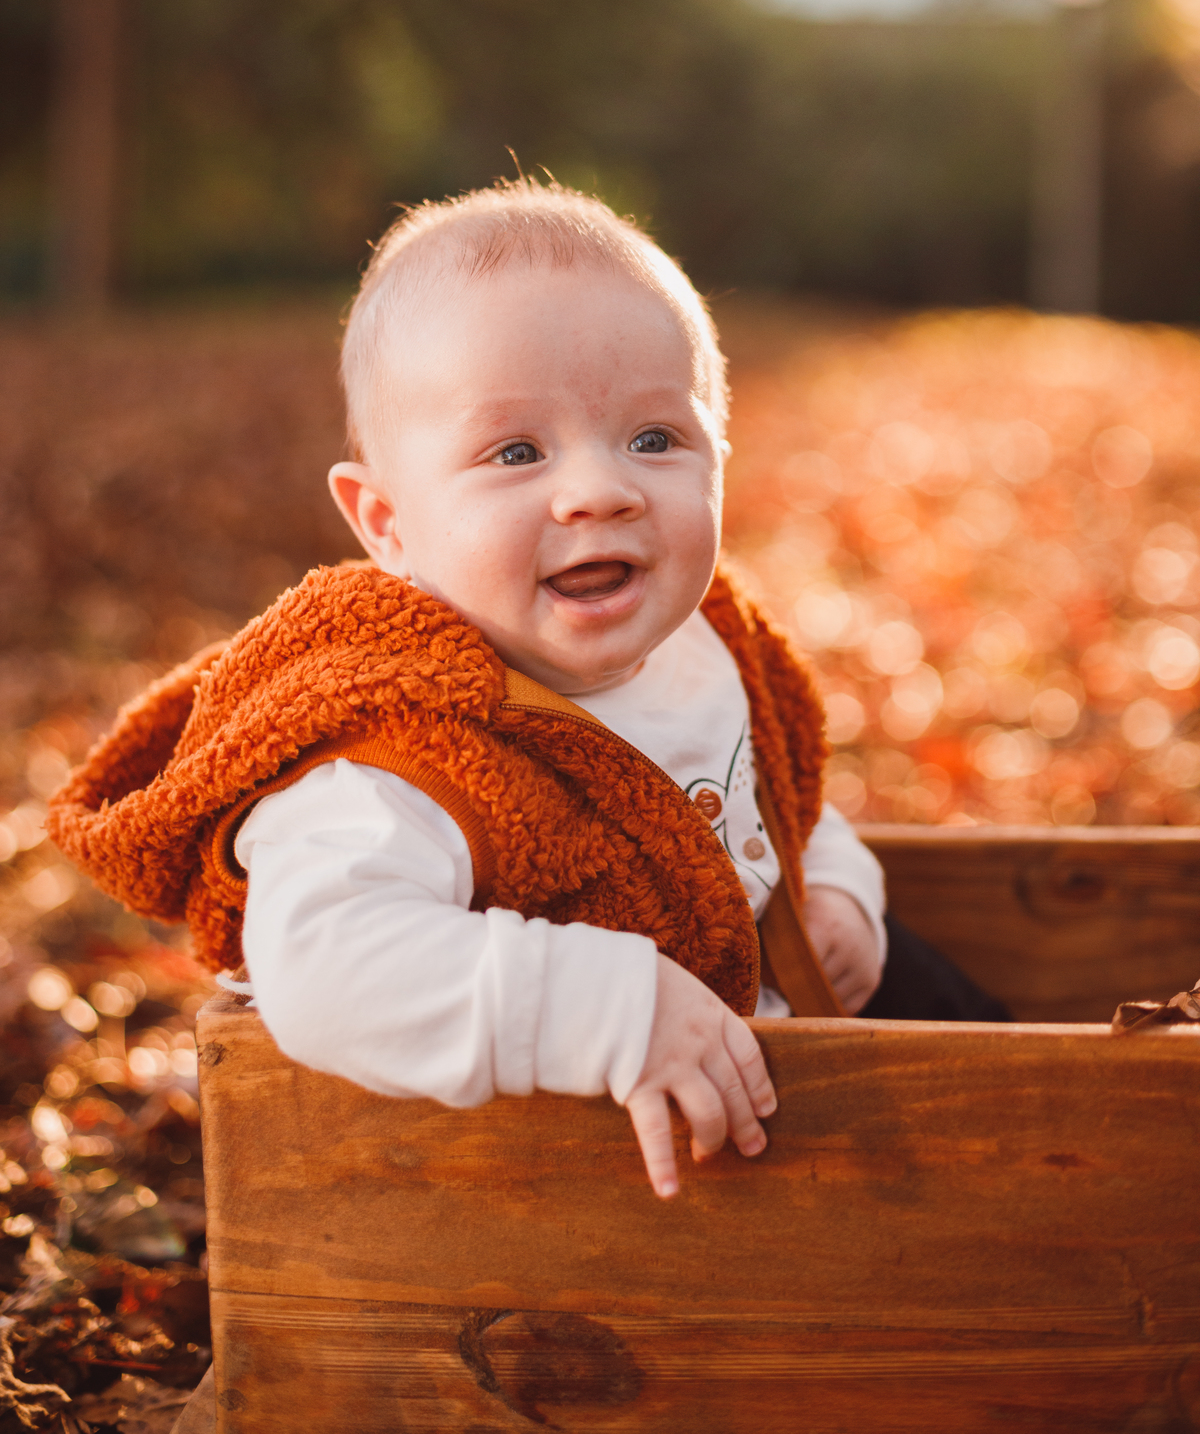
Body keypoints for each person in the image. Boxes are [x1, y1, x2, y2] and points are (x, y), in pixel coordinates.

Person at [48, 181, 994, 1204]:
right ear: (386, 523)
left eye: (654, 439)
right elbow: (326, 965)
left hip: (782, 1051)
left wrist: (840, 891)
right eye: (516, 452)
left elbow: (773, 796)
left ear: (719, 459)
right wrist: (608, 1008)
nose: (599, 490)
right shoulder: (400, 751)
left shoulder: (709, 643)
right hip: (564, 1172)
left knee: (994, 1051)